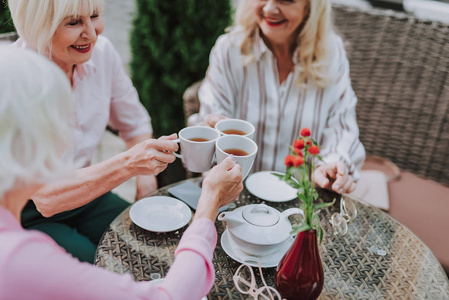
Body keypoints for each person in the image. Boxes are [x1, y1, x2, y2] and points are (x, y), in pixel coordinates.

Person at [0, 46, 243, 300]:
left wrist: (145, 179)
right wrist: (209, 204)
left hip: (85, 200)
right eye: (62, 122)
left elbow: (134, 122)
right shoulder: (23, 262)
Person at [7, 0, 171, 263]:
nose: (93, 34)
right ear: (37, 25)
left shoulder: (102, 53)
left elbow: (135, 124)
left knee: (152, 245)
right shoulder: (15, 82)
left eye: (94, 16)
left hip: (88, 192)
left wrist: (145, 181)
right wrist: (130, 164)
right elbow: (46, 198)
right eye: (73, 22)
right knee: (103, 266)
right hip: (26, 213)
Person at [190, 0, 366, 194]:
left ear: (310, 6)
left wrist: (331, 166)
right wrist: (211, 130)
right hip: (236, 195)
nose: (269, 9)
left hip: (303, 199)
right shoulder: (229, 50)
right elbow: (212, 118)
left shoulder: (332, 53)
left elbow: (341, 128)